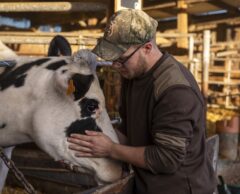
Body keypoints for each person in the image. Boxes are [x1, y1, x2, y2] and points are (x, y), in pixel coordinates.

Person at [67, 9, 216, 194]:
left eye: (121, 59)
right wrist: (98, 125)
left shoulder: (175, 92)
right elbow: (133, 134)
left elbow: (166, 159)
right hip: (146, 184)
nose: (114, 65)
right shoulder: (134, 75)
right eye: (113, 59)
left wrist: (111, 149)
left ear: (147, 48)